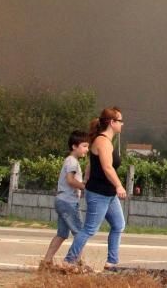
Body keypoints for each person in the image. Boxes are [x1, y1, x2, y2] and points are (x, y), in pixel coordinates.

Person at [65, 107, 127, 271]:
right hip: (99, 193)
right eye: (120, 121)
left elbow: (92, 165)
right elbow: (107, 167)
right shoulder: (103, 142)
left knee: (118, 224)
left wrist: (87, 178)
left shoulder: (106, 142)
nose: (122, 124)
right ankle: (69, 261)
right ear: (112, 123)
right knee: (90, 229)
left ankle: (112, 262)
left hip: (108, 193)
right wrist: (119, 185)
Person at [41, 130, 89, 268]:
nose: (86, 149)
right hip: (68, 202)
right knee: (80, 233)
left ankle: (47, 261)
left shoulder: (70, 161)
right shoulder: (72, 162)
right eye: (84, 146)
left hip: (62, 200)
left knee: (62, 234)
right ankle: (76, 262)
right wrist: (84, 187)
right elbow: (70, 180)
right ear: (74, 146)